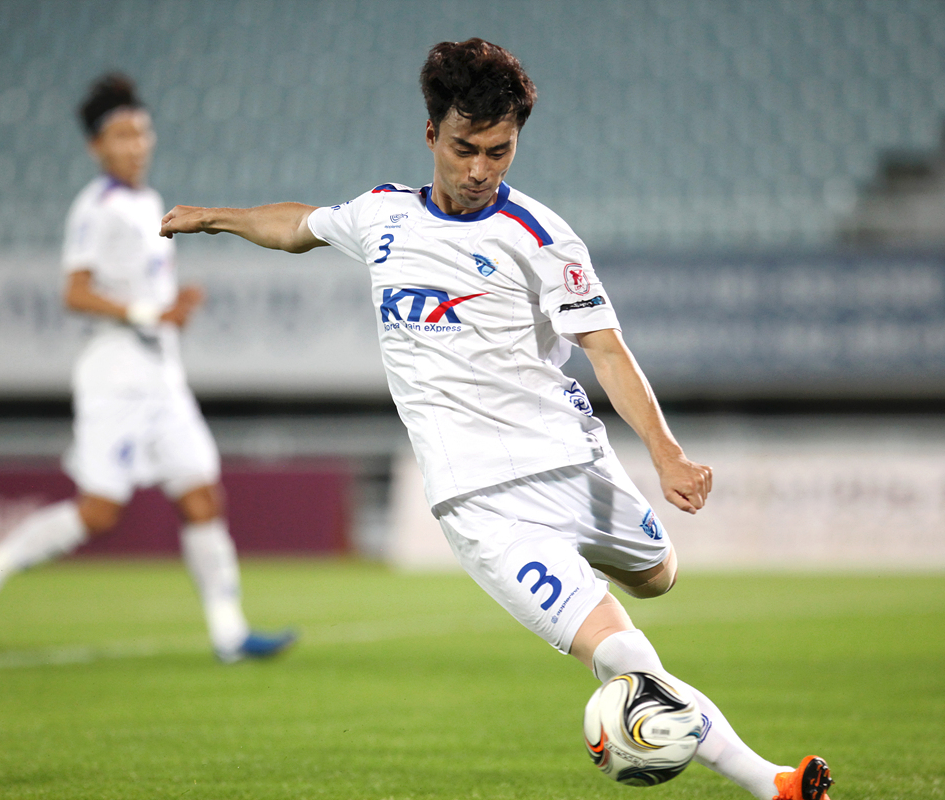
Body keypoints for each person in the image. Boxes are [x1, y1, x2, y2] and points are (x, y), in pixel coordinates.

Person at [159, 39, 832, 798]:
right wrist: (215, 218)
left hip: (572, 462)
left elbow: (606, 350)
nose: (480, 170)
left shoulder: (540, 237)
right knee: (619, 653)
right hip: (480, 499)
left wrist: (666, 453)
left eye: (499, 151)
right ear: (431, 135)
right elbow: (297, 226)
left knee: (658, 577)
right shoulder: (381, 216)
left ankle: (645, 621)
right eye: (464, 148)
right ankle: (774, 782)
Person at [0, 73, 296, 664]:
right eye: (121, 135)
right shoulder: (97, 208)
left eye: (142, 131)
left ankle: (229, 633)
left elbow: (141, 291)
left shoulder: (147, 202)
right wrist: (150, 311)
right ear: (96, 146)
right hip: (113, 375)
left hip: (161, 374)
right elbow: (75, 292)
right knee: (99, 511)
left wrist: (169, 306)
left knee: (201, 496)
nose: (136, 144)